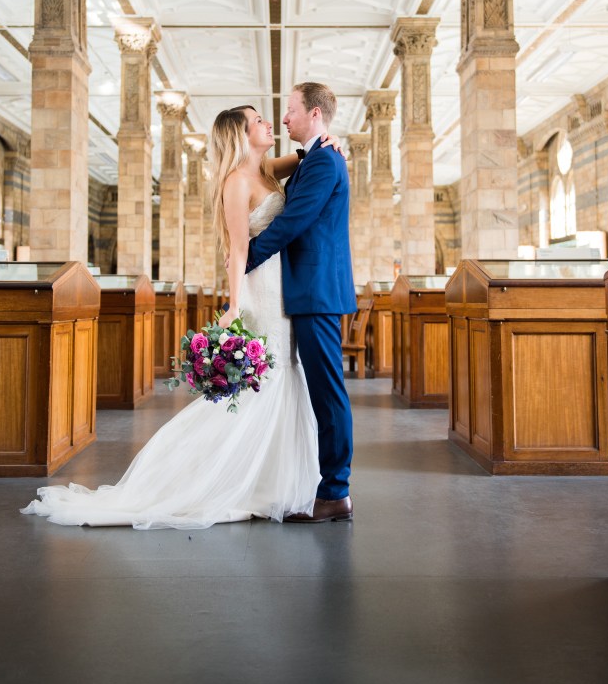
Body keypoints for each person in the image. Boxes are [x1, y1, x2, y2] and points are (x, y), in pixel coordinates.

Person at [20, 106, 341, 530]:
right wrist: (233, 305)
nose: (269, 123)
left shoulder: (265, 169)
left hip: (288, 287)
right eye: (259, 120)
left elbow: (308, 157)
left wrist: (331, 143)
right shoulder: (235, 182)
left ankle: (272, 480)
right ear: (240, 135)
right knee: (267, 376)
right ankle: (227, 480)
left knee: (286, 375)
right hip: (261, 288)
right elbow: (238, 250)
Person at [245, 83, 356, 523]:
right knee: (322, 390)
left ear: (313, 114)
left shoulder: (325, 161)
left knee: (328, 393)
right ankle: (328, 486)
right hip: (308, 289)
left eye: (290, 111)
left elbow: (292, 221)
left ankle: (335, 492)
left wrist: (247, 257)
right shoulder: (316, 157)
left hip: (316, 291)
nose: (284, 118)